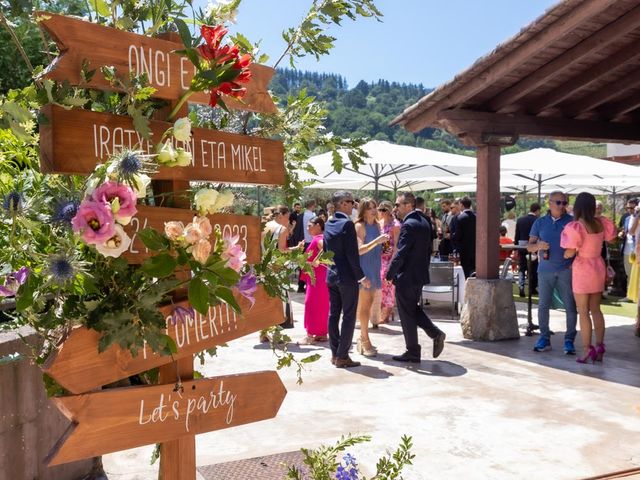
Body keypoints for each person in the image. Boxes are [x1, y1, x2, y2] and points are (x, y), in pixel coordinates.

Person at [386, 192, 446, 362]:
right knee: (411, 309)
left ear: (409, 205)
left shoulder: (409, 224)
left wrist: (389, 274)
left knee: (407, 313)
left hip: (407, 276)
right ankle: (433, 335)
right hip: (419, 275)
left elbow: (401, 253)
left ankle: (414, 349)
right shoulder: (425, 222)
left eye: (398, 205)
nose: (395, 208)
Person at [561, 192, 616, 363]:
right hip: (597, 266)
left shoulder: (576, 226)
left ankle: (587, 350)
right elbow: (612, 239)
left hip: (583, 268)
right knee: (596, 309)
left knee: (583, 312)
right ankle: (600, 347)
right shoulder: (600, 223)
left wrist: (566, 254)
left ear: (578, 206)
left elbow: (570, 250)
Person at [528, 191, 578, 355]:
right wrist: (538, 246)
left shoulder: (572, 222)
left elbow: (580, 245)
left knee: (570, 306)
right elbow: (529, 246)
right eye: (559, 202)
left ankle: (569, 340)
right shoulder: (540, 222)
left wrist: (573, 263)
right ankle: (544, 337)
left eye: (565, 202)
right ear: (549, 203)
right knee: (543, 306)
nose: (562, 206)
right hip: (545, 270)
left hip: (566, 270)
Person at [324, 191, 370, 368]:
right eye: (351, 202)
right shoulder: (347, 225)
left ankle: (335, 354)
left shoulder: (329, 223)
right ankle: (342, 356)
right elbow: (352, 256)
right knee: (349, 316)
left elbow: (327, 252)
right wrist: (362, 277)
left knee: (333, 315)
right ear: (342, 204)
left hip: (332, 275)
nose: (354, 205)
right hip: (347, 278)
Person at [354, 198, 389, 357]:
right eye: (369, 208)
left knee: (369, 304)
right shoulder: (359, 226)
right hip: (364, 268)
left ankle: (363, 339)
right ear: (363, 210)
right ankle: (364, 339)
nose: (374, 210)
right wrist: (377, 241)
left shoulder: (377, 225)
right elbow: (359, 250)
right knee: (365, 306)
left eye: (375, 207)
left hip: (375, 267)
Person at [262, 205, 304, 333]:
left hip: (264, 265)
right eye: (287, 217)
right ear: (281, 215)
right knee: (280, 298)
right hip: (277, 266)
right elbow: (282, 251)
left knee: (267, 297)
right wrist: (297, 248)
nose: (289, 220)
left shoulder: (264, 226)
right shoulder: (282, 229)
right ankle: (276, 329)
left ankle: (265, 330)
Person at [299, 216, 329, 345]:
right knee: (322, 305)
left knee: (311, 304)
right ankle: (322, 333)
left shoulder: (319, 238)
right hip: (320, 278)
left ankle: (310, 335)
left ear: (318, 225)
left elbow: (326, 248)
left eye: (309, 225)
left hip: (316, 278)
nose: (307, 228)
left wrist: (318, 260)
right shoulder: (318, 238)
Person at [378, 200, 401, 324]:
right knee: (380, 287)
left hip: (389, 259)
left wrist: (393, 261)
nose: (379, 212)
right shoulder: (380, 223)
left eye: (382, 210)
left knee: (388, 286)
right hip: (379, 258)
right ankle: (381, 312)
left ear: (387, 211)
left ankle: (386, 314)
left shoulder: (395, 225)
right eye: (379, 210)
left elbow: (397, 245)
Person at [514, 203, 541, 297]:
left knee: (522, 268)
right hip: (534, 245)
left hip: (521, 246)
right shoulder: (538, 220)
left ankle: (521, 286)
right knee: (533, 268)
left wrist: (515, 247)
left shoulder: (520, 220)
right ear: (537, 210)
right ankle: (532, 288)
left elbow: (517, 235)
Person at [619, 198, 638, 299]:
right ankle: (629, 295)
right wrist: (622, 233)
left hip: (636, 249)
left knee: (635, 273)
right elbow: (626, 231)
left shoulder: (638, 219)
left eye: (632, 208)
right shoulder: (626, 218)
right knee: (628, 273)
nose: (629, 210)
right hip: (627, 249)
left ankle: (634, 295)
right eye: (628, 208)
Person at [453, 197, 476, 278]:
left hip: (464, 249)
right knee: (474, 270)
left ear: (462, 205)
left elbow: (458, 235)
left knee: (465, 271)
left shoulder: (460, 218)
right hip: (475, 249)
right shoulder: (476, 217)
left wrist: (453, 236)